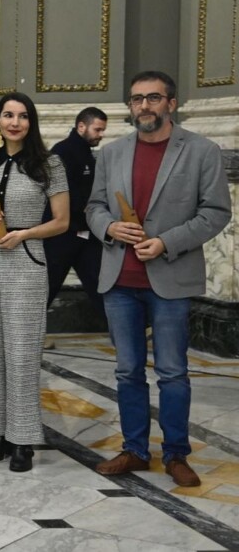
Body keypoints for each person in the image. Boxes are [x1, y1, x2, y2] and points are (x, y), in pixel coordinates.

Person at [86, 71, 231, 487]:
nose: (144, 107)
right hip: (120, 280)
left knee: (172, 372)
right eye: (136, 100)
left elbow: (216, 212)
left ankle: (176, 454)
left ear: (172, 103)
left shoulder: (201, 151)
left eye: (153, 98)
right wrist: (109, 229)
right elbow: (94, 206)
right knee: (127, 370)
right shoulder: (111, 153)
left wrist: (166, 242)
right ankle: (134, 450)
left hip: (170, 277)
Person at [0, 92, 69, 472]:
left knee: (23, 351)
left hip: (26, 262)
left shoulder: (49, 164)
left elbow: (62, 221)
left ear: (31, 123)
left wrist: (24, 234)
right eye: (8, 115)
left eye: (23, 116)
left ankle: (23, 438)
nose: (15, 122)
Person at [45, 107, 108, 314]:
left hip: (85, 231)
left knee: (100, 283)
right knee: (48, 285)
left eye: (102, 131)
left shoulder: (85, 153)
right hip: (61, 234)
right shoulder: (63, 151)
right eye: (97, 130)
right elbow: (62, 193)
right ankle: (24, 334)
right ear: (81, 126)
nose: (101, 135)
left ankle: (125, 333)